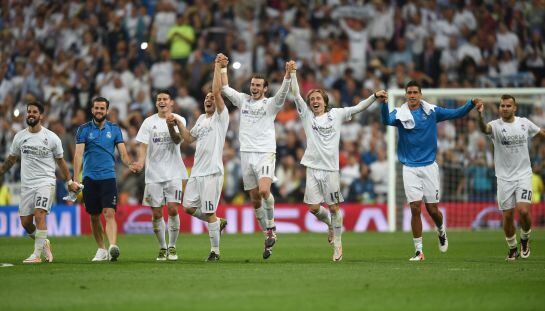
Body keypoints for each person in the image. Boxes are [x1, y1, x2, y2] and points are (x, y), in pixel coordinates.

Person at [290, 66, 386, 261]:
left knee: (334, 208)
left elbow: (359, 107)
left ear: (325, 102)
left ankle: (338, 247)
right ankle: (330, 226)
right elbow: (295, 94)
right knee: (314, 208)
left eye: (318, 98)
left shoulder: (337, 114)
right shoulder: (307, 116)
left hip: (331, 169)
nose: (314, 101)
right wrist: (292, 73)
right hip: (312, 167)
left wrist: (374, 96)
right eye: (312, 99)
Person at [380, 80, 479, 261]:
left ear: (420, 95)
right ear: (405, 95)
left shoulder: (432, 112)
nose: (412, 95)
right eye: (409, 92)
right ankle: (419, 251)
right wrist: (384, 103)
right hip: (409, 168)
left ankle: (441, 230)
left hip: (429, 167)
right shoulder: (400, 114)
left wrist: (470, 104)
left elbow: (456, 113)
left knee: (433, 210)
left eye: (415, 92)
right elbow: (386, 120)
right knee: (415, 208)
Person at [218, 53, 292, 259]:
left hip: (265, 153)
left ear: (265, 88)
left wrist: (287, 75)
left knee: (264, 190)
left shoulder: (270, 105)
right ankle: (267, 235)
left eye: (259, 85)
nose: (255, 88)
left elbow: (283, 94)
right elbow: (224, 88)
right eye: (253, 84)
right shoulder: (243, 101)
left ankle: (271, 227)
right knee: (254, 199)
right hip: (246, 154)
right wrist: (223, 67)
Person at [0, 102, 79, 263]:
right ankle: (44, 243)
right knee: (25, 222)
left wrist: (70, 181)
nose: (30, 114)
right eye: (29, 111)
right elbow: (11, 159)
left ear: (41, 116)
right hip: (27, 185)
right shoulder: (20, 137)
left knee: (39, 215)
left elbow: (61, 162)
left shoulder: (51, 137)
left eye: (34, 112)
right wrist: (1, 171)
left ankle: (36, 255)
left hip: (45, 182)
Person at [477, 95, 545, 260]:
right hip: (504, 178)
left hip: (523, 175)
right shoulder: (495, 125)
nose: (505, 108)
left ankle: (525, 238)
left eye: (508, 106)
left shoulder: (524, 123)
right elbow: (483, 129)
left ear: (515, 108)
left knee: (523, 211)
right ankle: (513, 247)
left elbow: (540, 133)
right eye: (502, 106)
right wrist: (480, 115)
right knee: (507, 216)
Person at [175, 58, 229, 261]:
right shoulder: (201, 119)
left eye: (212, 98)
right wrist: (178, 124)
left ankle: (215, 251)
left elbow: (217, 91)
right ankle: (217, 222)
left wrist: (217, 67)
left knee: (209, 212)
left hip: (213, 172)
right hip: (197, 172)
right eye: (206, 98)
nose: (209, 99)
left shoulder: (221, 117)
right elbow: (189, 139)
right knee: (188, 207)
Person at [74, 97, 135, 262]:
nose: (99, 111)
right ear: (92, 110)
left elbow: (122, 153)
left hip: (108, 177)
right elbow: (78, 155)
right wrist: (74, 180)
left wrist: (129, 164)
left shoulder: (114, 129)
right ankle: (101, 249)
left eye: (102, 108)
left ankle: (112, 246)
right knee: (94, 216)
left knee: (109, 212)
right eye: (96, 108)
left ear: (107, 111)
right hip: (89, 178)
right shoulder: (83, 130)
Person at [134, 89, 188, 261]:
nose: (162, 101)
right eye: (159, 99)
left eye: (165, 98)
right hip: (153, 174)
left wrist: (172, 126)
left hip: (174, 172)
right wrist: (141, 162)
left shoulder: (179, 119)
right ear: (156, 103)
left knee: (172, 209)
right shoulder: (148, 122)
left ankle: (172, 247)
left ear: (171, 102)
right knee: (157, 213)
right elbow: (142, 145)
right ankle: (162, 247)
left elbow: (178, 140)